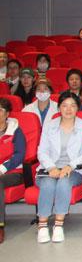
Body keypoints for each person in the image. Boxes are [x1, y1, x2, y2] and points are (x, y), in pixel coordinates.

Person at [36, 92, 82, 243]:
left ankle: (58, 225)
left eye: (73, 106)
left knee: (64, 182)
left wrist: (70, 166)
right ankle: (42, 225)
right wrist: (51, 168)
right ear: (59, 108)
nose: (68, 109)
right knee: (48, 183)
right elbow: (42, 151)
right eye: (64, 106)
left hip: (74, 170)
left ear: (78, 108)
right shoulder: (49, 125)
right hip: (49, 169)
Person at [0, 97, 27, 243]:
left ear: (7, 114)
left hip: (13, 172)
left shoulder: (15, 130)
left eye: (0, 110)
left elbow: (19, 155)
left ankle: (0, 225)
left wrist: (2, 168)